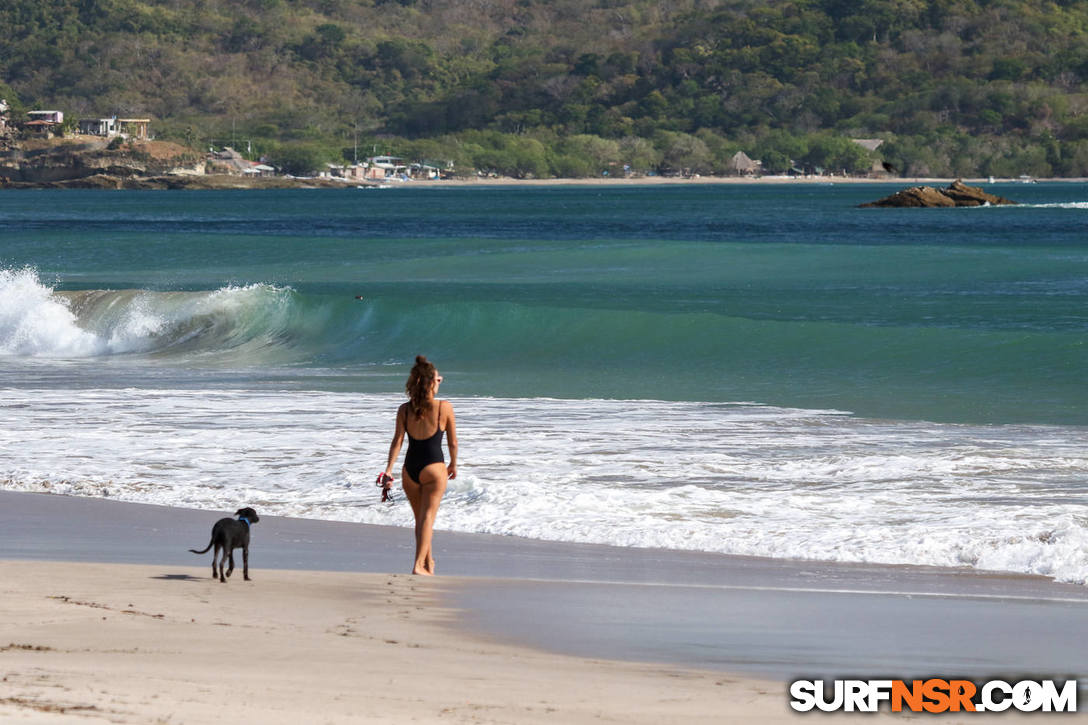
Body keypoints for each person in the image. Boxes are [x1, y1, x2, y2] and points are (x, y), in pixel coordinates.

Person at [379, 355, 457, 575]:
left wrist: (388, 470)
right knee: (428, 518)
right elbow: (452, 441)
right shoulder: (444, 408)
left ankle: (428, 563)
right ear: (432, 383)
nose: (440, 381)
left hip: (409, 470)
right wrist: (453, 464)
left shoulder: (404, 409)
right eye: (438, 379)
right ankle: (417, 565)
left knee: (421, 520)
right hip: (434, 468)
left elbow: (397, 441)